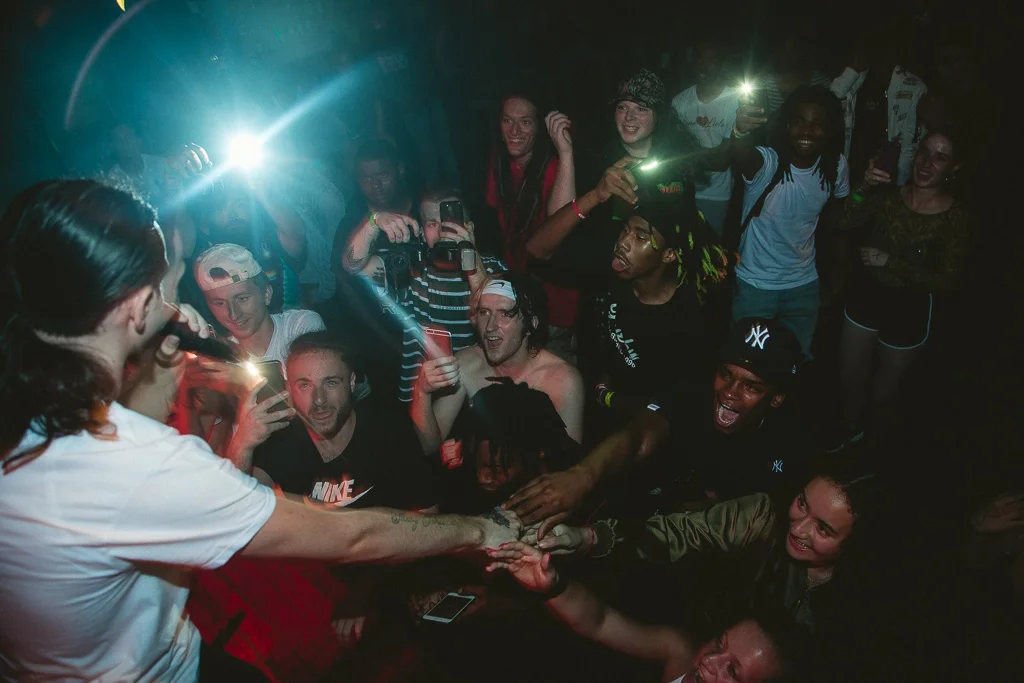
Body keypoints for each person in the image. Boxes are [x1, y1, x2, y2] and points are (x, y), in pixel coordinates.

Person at [0, 179, 521, 681]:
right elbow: (352, 535)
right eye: (171, 288)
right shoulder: (143, 466)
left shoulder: (32, 411)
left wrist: (167, 364)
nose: (183, 308)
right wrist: (480, 530)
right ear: (136, 307)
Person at [505, 317, 809, 534]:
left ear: (776, 398)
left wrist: (713, 511)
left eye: (752, 386)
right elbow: (640, 435)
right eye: (726, 374)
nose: (730, 392)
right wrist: (583, 475)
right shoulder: (692, 394)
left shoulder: (791, 443)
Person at [498, 465, 881, 636]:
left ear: (854, 545)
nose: (798, 527)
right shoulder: (763, 517)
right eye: (801, 504)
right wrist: (587, 538)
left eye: (823, 529)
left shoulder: (861, 611)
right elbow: (676, 534)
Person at [832, 131, 972, 449]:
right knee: (850, 376)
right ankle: (849, 437)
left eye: (940, 157)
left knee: (885, 391)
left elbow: (946, 281)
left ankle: (873, 452)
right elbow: (843, 221)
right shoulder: (888, 197)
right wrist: (864, 187)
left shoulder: (955, 216)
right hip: (867, 295)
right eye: (924, 151)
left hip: (910, 307)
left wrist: (890, 261)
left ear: (953, 168)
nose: (927, 162)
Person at [489, 541, 801, 683]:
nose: (710, 660)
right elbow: (600, 621)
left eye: (732, 671)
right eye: (719, 643)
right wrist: (553, 586)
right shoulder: (680, 653)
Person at [229, 331, 438, 511]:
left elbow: (427, 515)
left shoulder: (388, 433)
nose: (319, 399)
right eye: (304, 385)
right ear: (288, 389)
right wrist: (241, 444)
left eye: (331, 382)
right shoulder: (280, 440)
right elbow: (238, 509)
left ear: (352, 382)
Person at [343, 189, 504, 403]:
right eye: (432, 223)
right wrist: (373, 223)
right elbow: (352, 266)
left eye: (451, 221)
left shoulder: (491, 269)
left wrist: (469, 255)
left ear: (469, 227)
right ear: (421, 232)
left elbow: (498, 314)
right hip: (420, 397)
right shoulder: (410, 269)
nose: (443, 231)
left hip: (478, 394)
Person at [731, 85, 850, 355]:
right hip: (756, 286)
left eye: (816, 124)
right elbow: (743, 155)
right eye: (798, 122)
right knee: (746, 360)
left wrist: (836, 275)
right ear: (787, 126)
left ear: (828, 129)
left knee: (794, 362)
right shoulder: (769, 163)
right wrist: (740, 131)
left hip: (803, 286)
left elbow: (838, 221)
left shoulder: (836, 166)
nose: (806, 131)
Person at [411, 272, 585, 454]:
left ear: (531, 324)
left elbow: (569, 465)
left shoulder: (562, 380)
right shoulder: (466, 365)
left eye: (505, 314)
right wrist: (421, 391)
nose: (490, 326)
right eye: (484, 312)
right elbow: (428, 446)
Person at [485, 91, 580, 356]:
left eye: (525, 122)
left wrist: (566, 153)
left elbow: (561, 221)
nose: (514, 131)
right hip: (517, 288)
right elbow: (496, 220)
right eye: (507, 121)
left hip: (554, 299)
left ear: (540, 127)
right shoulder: (499, 160)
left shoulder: (552, 167)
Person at [831, 26, 927, 186]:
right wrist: (853, 68)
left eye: (886, 45)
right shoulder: (856, 78)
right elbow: (829, 100)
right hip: (853, 169)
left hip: (887, 174)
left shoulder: (913, 86)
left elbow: (910, 142)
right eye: (874, 45)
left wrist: (901, 183)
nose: (881, 52)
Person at [672, 38, 742, 236]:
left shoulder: (734, 100)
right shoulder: (679, 101)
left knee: (711, 247)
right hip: (681, 190)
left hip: (716, 194)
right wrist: (709, 154)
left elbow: (723, 160)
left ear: (721, 64)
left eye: (711, 60)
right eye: (699, 59)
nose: (703, 65)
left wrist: (687, 157)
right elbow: (672, 152)